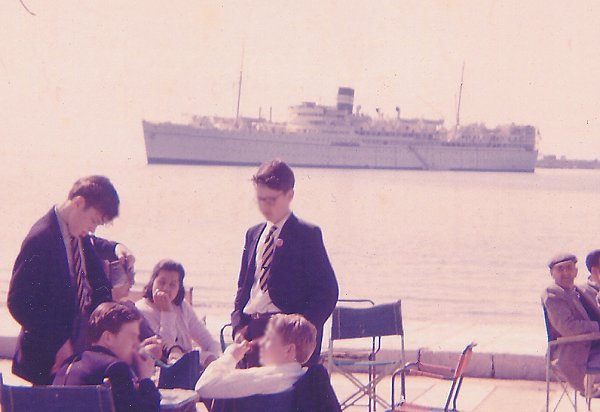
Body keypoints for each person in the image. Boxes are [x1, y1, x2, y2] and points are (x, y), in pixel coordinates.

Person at [8, 175, 135, 385]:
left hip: (78, 341)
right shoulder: (40, 239)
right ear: (78, 203)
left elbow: (92, 241)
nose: (93, 228)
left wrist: (115, 248)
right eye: (94, 220)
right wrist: (58, 341)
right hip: (50, 355)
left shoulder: (75, 229)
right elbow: (18, 303)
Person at [231, 159, 339, 366]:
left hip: (286, 336)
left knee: (285, 397)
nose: (264, 206)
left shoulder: (307, 234)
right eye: (260, 199)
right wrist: (238, 326)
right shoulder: (253, 234)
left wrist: (301, 331)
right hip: (252, 331)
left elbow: (327, 292)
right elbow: (243, 288)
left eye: (271, 200)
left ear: (289, 195)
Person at [196, 314, 340, 412]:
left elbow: (204, 386)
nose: (262, 343)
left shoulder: (265, 378)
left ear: (289, 350)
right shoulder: (304, 379)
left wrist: (231, 356)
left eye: (270, 339)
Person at [53, 302, 161, 412]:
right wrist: (145, 378)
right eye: (132, 337)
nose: (136, 344)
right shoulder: (116, 368)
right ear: (108, 337)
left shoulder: (67, 365)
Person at [135, 259, 221, 366]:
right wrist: (167, 313)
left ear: (179, 287)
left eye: (172, 285)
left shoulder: (182, 306)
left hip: (188, 362)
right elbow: (165, 347)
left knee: (211, 358)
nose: (166, 288)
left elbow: (208, 340)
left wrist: (217, 361)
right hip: (163, 366)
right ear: (153, 282)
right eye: (161, 282)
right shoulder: (141, 310)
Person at [541, 252, 600, 392]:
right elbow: (567, 327)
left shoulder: (579, 290)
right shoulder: (552, 293)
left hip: (592, 345)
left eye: (569, 268)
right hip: (572, 350)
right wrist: (597, 327)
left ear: (576, 271)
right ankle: (592, 390)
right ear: (552, 273)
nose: (565, 272)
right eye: (560, 269)